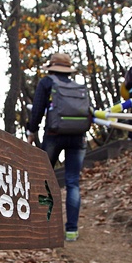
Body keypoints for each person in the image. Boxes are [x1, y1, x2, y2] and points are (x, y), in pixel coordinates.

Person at [27, 53, 87, 242]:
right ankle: (71, 230)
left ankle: (43, 225)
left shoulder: (47, 83)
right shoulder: (78, 86)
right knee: (72, 182)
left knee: (44, 179)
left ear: (51, 67)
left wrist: (31, 131)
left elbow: (37, 109)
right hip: (78, 137)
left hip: (54, 135)